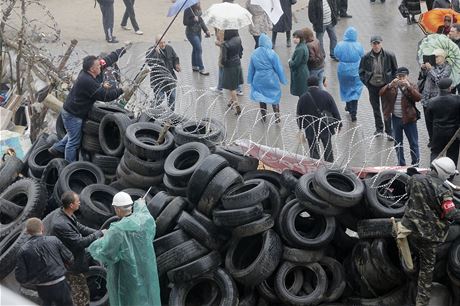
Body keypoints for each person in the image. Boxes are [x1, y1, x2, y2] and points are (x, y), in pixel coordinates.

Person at [398, 157, 460, 306]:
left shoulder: (415, 179)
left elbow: (408, 193)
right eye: (451, 175)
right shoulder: (445, 191)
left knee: (412, 257)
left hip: (409, 230)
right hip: (429, 236)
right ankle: (421, 302)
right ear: (445, 174)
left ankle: (408, 275)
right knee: (427, 271)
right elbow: (451, 214)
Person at [88, 192, 161, 306]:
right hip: (144, 269)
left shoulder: (117, 230)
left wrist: (97, 243)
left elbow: (107, 254)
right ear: (130, 206)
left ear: (117, 209)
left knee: (128, 299)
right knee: (145, 297)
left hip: (126, 273)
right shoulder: (144, 221)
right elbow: (144, 213)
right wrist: (141, 204)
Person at [49, 54, 125, 162]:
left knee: (73, 133)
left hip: (74, 110)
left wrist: (121, 51)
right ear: (92, 69)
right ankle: (69, 167)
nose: (101, 67)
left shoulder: (89, 73)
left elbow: (106, 60)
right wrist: (121, 90)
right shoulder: (87, 81)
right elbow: (105, 96)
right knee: (74, 141)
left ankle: (56, 148)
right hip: (73, 114)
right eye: (98, 66)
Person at [44, 192, 105, 306]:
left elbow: (80, 227)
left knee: (79, 292)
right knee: (80, 296)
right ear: (71, 205)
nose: (80, 202)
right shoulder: (61, 224)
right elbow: (79, 243)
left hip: (70, 259)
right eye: (78, 201)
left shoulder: (67, 213)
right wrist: (98, 234)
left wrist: (100, 233)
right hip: (67, 264)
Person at [15, 218, 74, 306]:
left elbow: (20, 277)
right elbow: (70, 258)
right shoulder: (54, 240)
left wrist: (33, 280)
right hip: (60, 283)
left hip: (42, 288)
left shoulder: (23, 250)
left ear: (27, 232)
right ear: (42, 227)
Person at [379, 67, 422, 166]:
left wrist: (409, 87)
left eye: (403, 76)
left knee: (413, 143)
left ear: (407, 76)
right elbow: (381, 93)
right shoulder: (393, 87)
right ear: (396, 77)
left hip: (409, 119)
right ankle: (401, 164)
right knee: (398, 143)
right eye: (399, 76)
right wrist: (389, 85)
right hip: (396, 119)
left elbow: (418, 98)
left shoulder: (412, 85)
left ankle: (415, 165)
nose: (401, 79)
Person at [359, 35, 398, 138]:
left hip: (385, 86)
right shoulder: (366, 57)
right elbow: (361, 72)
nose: (376, 46)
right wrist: (367, 83)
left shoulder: (389, 56)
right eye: (374, 44)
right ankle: (379, 129)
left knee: (386, 109)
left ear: (381, 43)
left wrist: (391, 83)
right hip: (372, 86)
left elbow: (395, 70)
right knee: (375, 108)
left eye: (378, 43)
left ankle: (389, 131)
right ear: (371, 44)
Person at [296, 76, 341, 162]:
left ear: (307, 85)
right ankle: (329, 166)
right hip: (325, 126)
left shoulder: (303, 98)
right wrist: (339, 124)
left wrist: (301, 127)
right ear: (317, 84)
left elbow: (299, 115)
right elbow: (334, 110)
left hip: (310, 128)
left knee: (313, 150)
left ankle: (315, 165)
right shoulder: (326, 95)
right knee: (328, 148)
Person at [248, 33, 288, 123]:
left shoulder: (254, 53)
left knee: (261, 97)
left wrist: (250, 79)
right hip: (271, 78)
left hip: (258, 79)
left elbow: (251, 68)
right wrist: (283, 80)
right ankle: (277, 116)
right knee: (274, 96)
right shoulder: (272, 53)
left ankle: (264, 117)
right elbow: (278, 68)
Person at [419, 49, 451, 147]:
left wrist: (430, 69)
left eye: (437, 57)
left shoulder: (447, 67)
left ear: (443, 57)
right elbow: (422, 77)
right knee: (428, 121)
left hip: (437, 99)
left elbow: (440, 81)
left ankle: (437, 140)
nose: (435, 58)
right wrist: (423, 69)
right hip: (426, 98)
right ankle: (431, 139)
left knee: (436, 121)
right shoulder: (431, 65)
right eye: (434, 56)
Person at [425, 78, 460, 165]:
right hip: (453, 133)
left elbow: (428, 121)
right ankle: (450, 174)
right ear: (449, 88)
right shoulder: (457, 99)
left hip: (438, 132)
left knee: (435, 153)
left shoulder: (431, 101)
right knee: (452, 154)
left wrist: (431, 136)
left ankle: (434, 171)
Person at [334, 26, 364, 122]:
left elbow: (336, 55)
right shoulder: (358, 45)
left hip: (343, 70)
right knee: (355, 90)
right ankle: (353, 112)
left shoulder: (340, 45)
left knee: (345, 87)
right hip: (355, 70)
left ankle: (348, 106)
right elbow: (362, 55)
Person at [146, 35, 181, 111]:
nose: (163, 44)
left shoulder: (169, 48)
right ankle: (152, 112)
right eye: (161, 43)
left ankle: (171, 115)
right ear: (156, 43)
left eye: (164, 42)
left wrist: (176, 65)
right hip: (158, 80)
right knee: (160, 99)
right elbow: (149, 62)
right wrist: (156, 52)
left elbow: (175, 58)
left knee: (172, 97)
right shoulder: (151, 51)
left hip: (170, 79)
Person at [183, 3, 210, 75]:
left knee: (195, 49)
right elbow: (185, 22)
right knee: (199, 49)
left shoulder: (199, 9)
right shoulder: (188, 10)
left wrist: (206, 30)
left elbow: (201, 21)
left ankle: (194, 66)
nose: (198, 3)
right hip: (191, 33)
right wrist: (193, 20)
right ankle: (201, 68)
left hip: (198, 32)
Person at [222, 30, 244, 115]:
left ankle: (237, 106)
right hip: (238, 64)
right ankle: (230, 102)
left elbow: (224, 59)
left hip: (230, 67)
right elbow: (241, 51)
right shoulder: (238, 39)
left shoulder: (225, 44)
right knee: (235, 84)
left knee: (232, 88)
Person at [289, 30, 309, 97]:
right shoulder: (303, 46)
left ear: (301, 38)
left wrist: (290, 62)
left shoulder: (300, 49)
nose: (294, 39)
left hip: (300, 73)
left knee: (301, 92)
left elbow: (295, 63)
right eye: (294, 37)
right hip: (303, 71)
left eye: (297, 38)